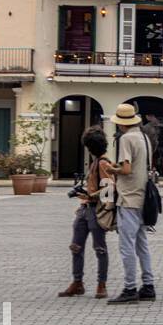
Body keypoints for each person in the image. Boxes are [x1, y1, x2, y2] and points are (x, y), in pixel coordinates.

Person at [102, 103, 156, 304]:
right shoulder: (144, 138)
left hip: (129, 197)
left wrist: (111, 169)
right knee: (142, 243)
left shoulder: (126, 138)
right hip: (143, 196)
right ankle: (148, 285)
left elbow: (125, 170)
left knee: (127, 246)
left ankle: (130, 288)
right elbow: (137, 166)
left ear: (120, 124)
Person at [58, 126, 111, 299]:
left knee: (100, 248)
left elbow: (109, 189)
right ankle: (77, 282)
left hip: (95, 211)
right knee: (76, 246)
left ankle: (101, 284)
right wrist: (84, 194)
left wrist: (90, 195)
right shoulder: (96, 162)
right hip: (84, 209)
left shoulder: (103, 163)